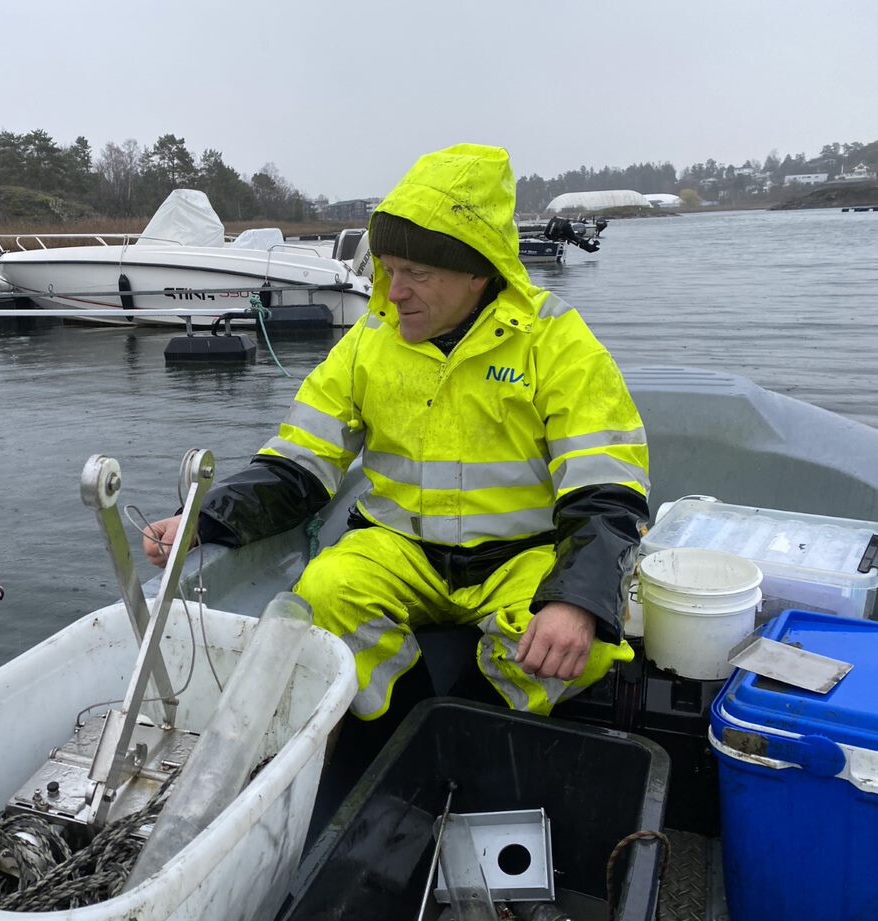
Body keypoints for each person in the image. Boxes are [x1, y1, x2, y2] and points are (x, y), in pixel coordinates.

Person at [144, 142, 649, 737]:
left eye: (416, 274)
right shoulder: (368, 341)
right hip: (399, 547)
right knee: (326, 593)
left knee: (581, 645)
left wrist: (576, 601)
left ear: (477, 271)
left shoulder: (556, 341)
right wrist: (205, 517)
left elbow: (607, 488)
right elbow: (299, 463)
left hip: (524, 554)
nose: (393, 291)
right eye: (385, 269)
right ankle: (404, 734)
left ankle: (472, 724)